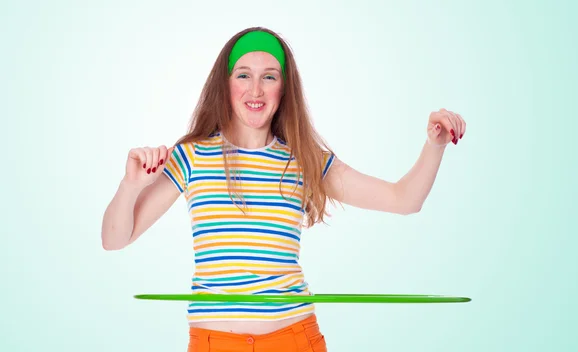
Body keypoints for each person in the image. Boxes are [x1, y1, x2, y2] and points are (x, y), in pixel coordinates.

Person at [101, 27, 466, 352]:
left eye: (269, 77)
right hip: (215, 343)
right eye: (243, 75)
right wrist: (131, 185)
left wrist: (435, 145)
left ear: (284, 87)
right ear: (225, 84)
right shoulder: (192, 156)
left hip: (293, 339)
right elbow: (114, 239)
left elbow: (404, 200)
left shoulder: (305, 160)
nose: (255, 90)